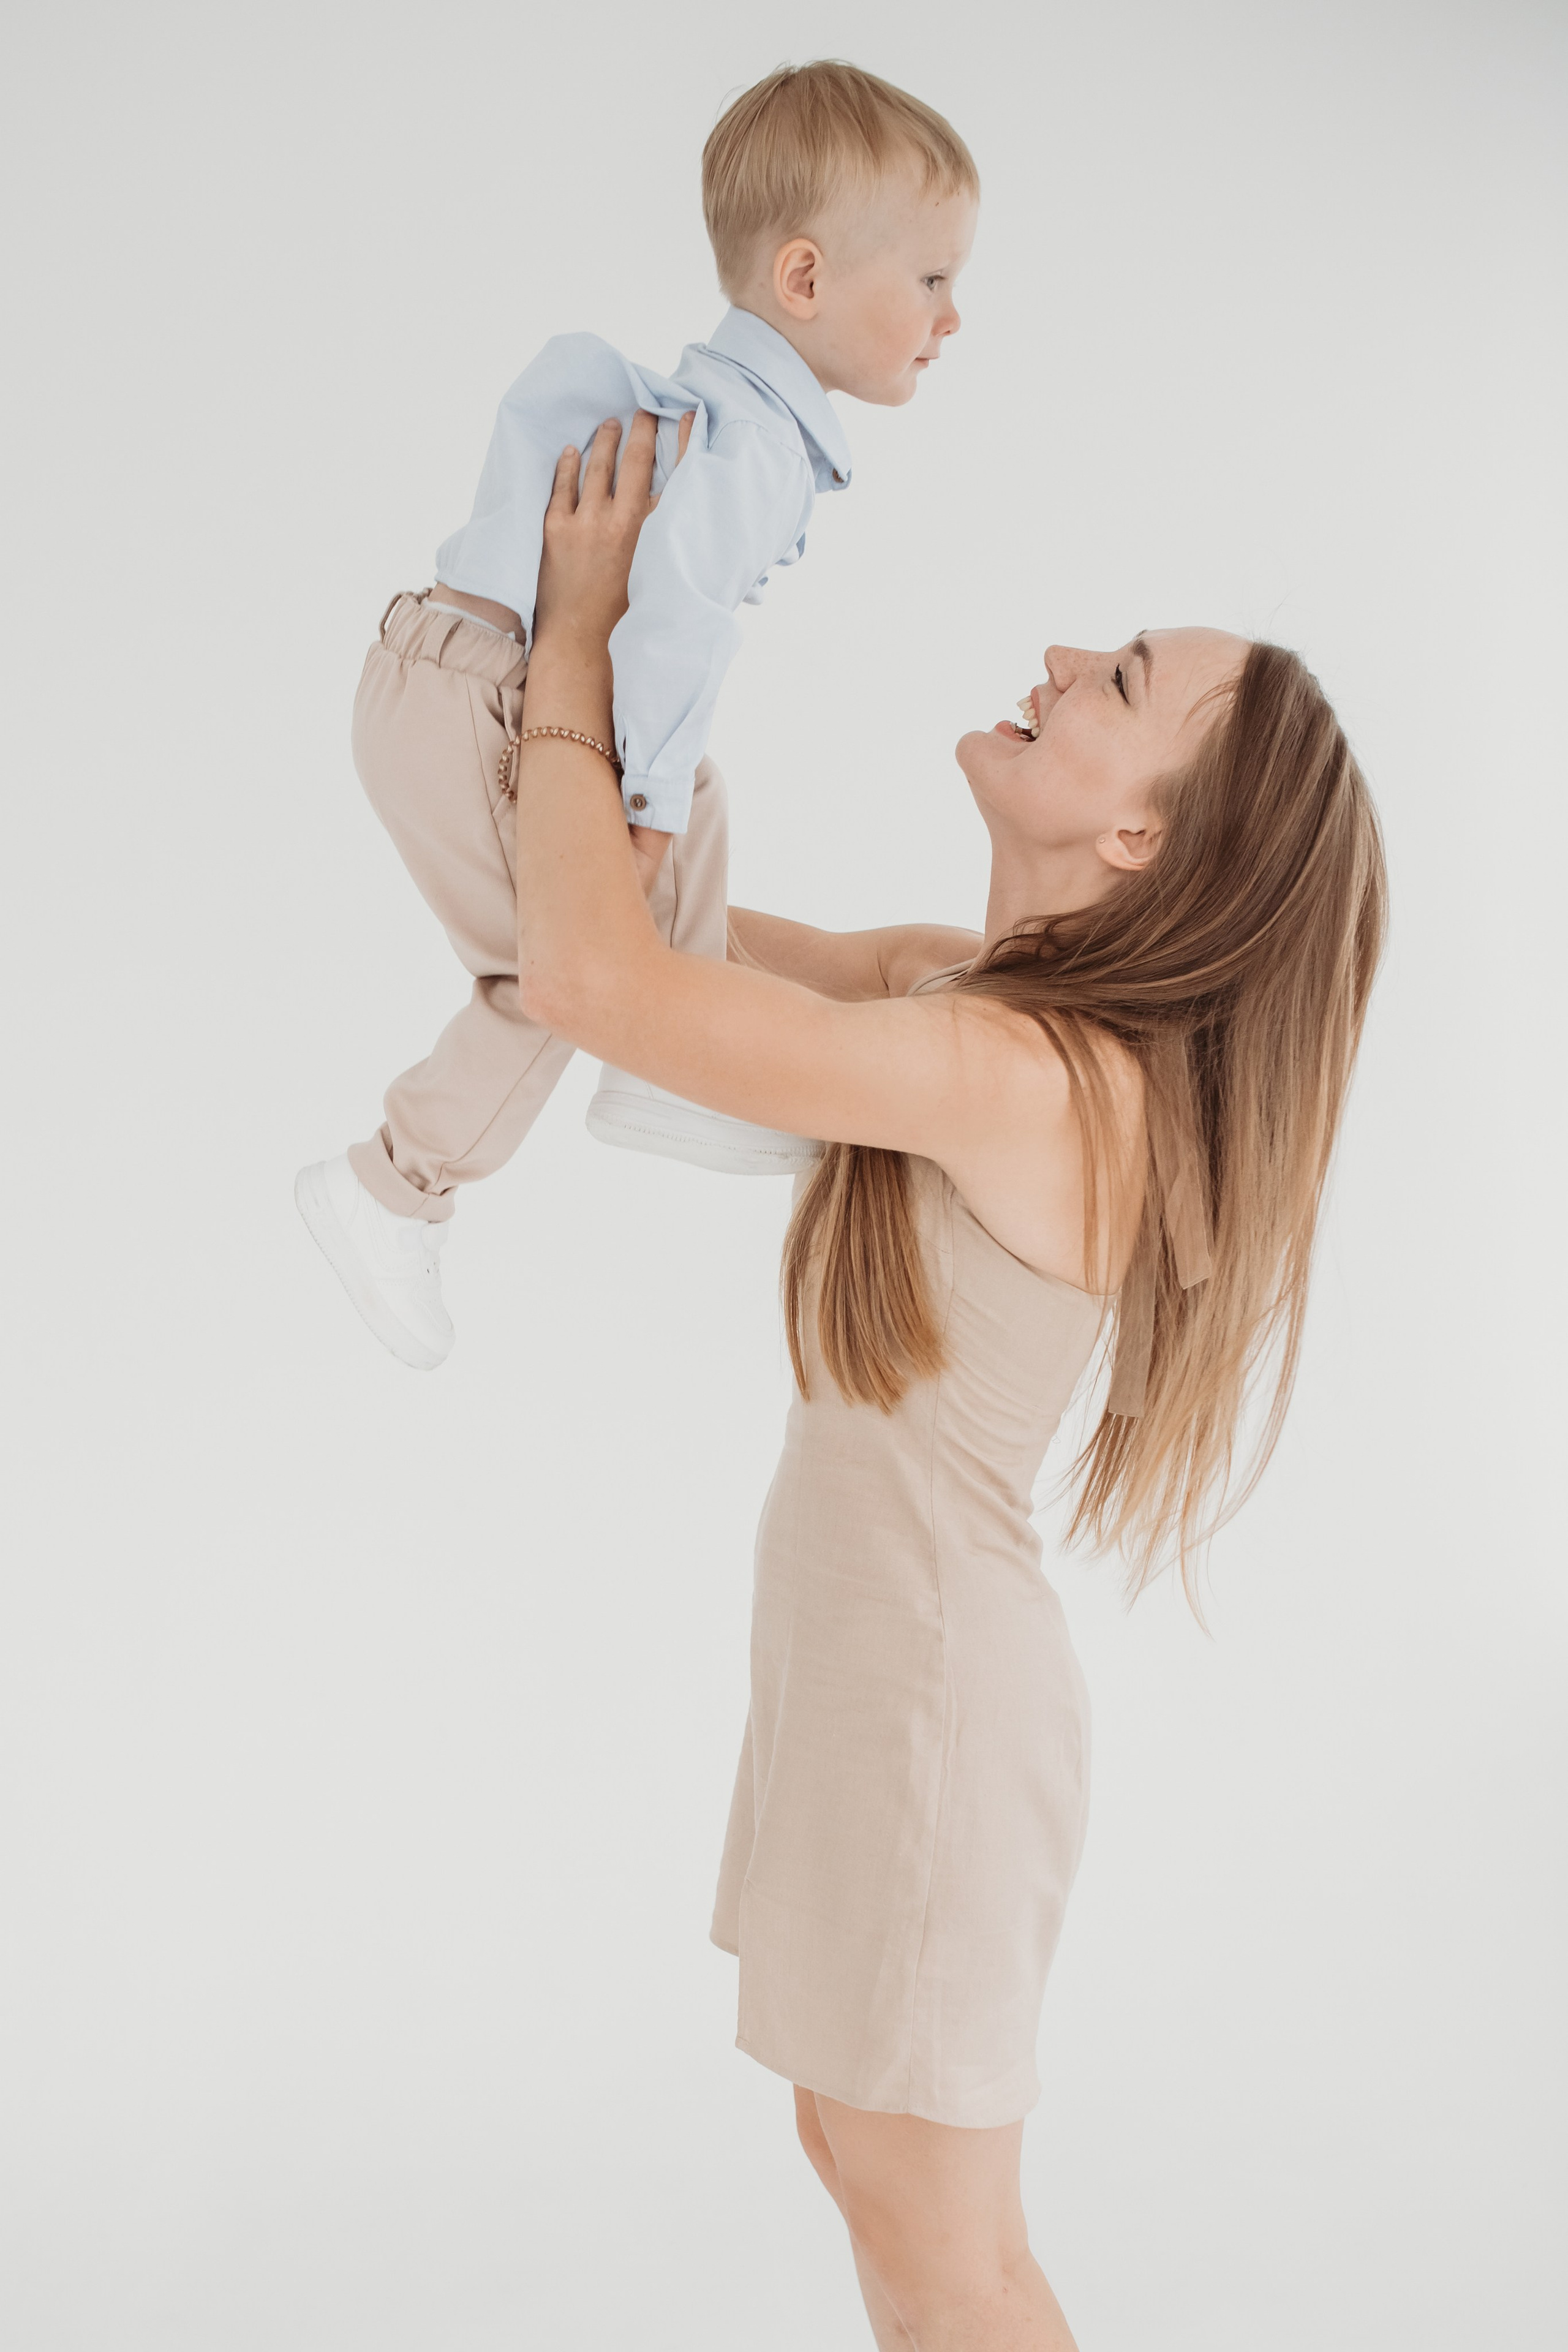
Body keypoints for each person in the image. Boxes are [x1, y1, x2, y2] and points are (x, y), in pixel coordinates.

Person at [507, 412, 1388, 2350]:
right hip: (866, 1666)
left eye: (1121, 682)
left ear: (1143, 832)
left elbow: (597, 982)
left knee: (943, 2246)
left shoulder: (1027, 1080)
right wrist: (573, 721)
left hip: (929, 1714)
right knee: (867, 2169)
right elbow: (645, 946)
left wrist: (575, 636)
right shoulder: (968, 1005)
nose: (1066, 656)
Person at [294, 61, 979, 1371]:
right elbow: (672, 618)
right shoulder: (757, 446)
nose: (951, 317)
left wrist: (670, 793)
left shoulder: (713, 407)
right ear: (803, 281)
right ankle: (396, 1186)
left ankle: (676, 1041)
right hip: (483, 702)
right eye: (933, 279)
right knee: (556, 972)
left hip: (439, 676)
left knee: (694, 796)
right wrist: (640, 814)